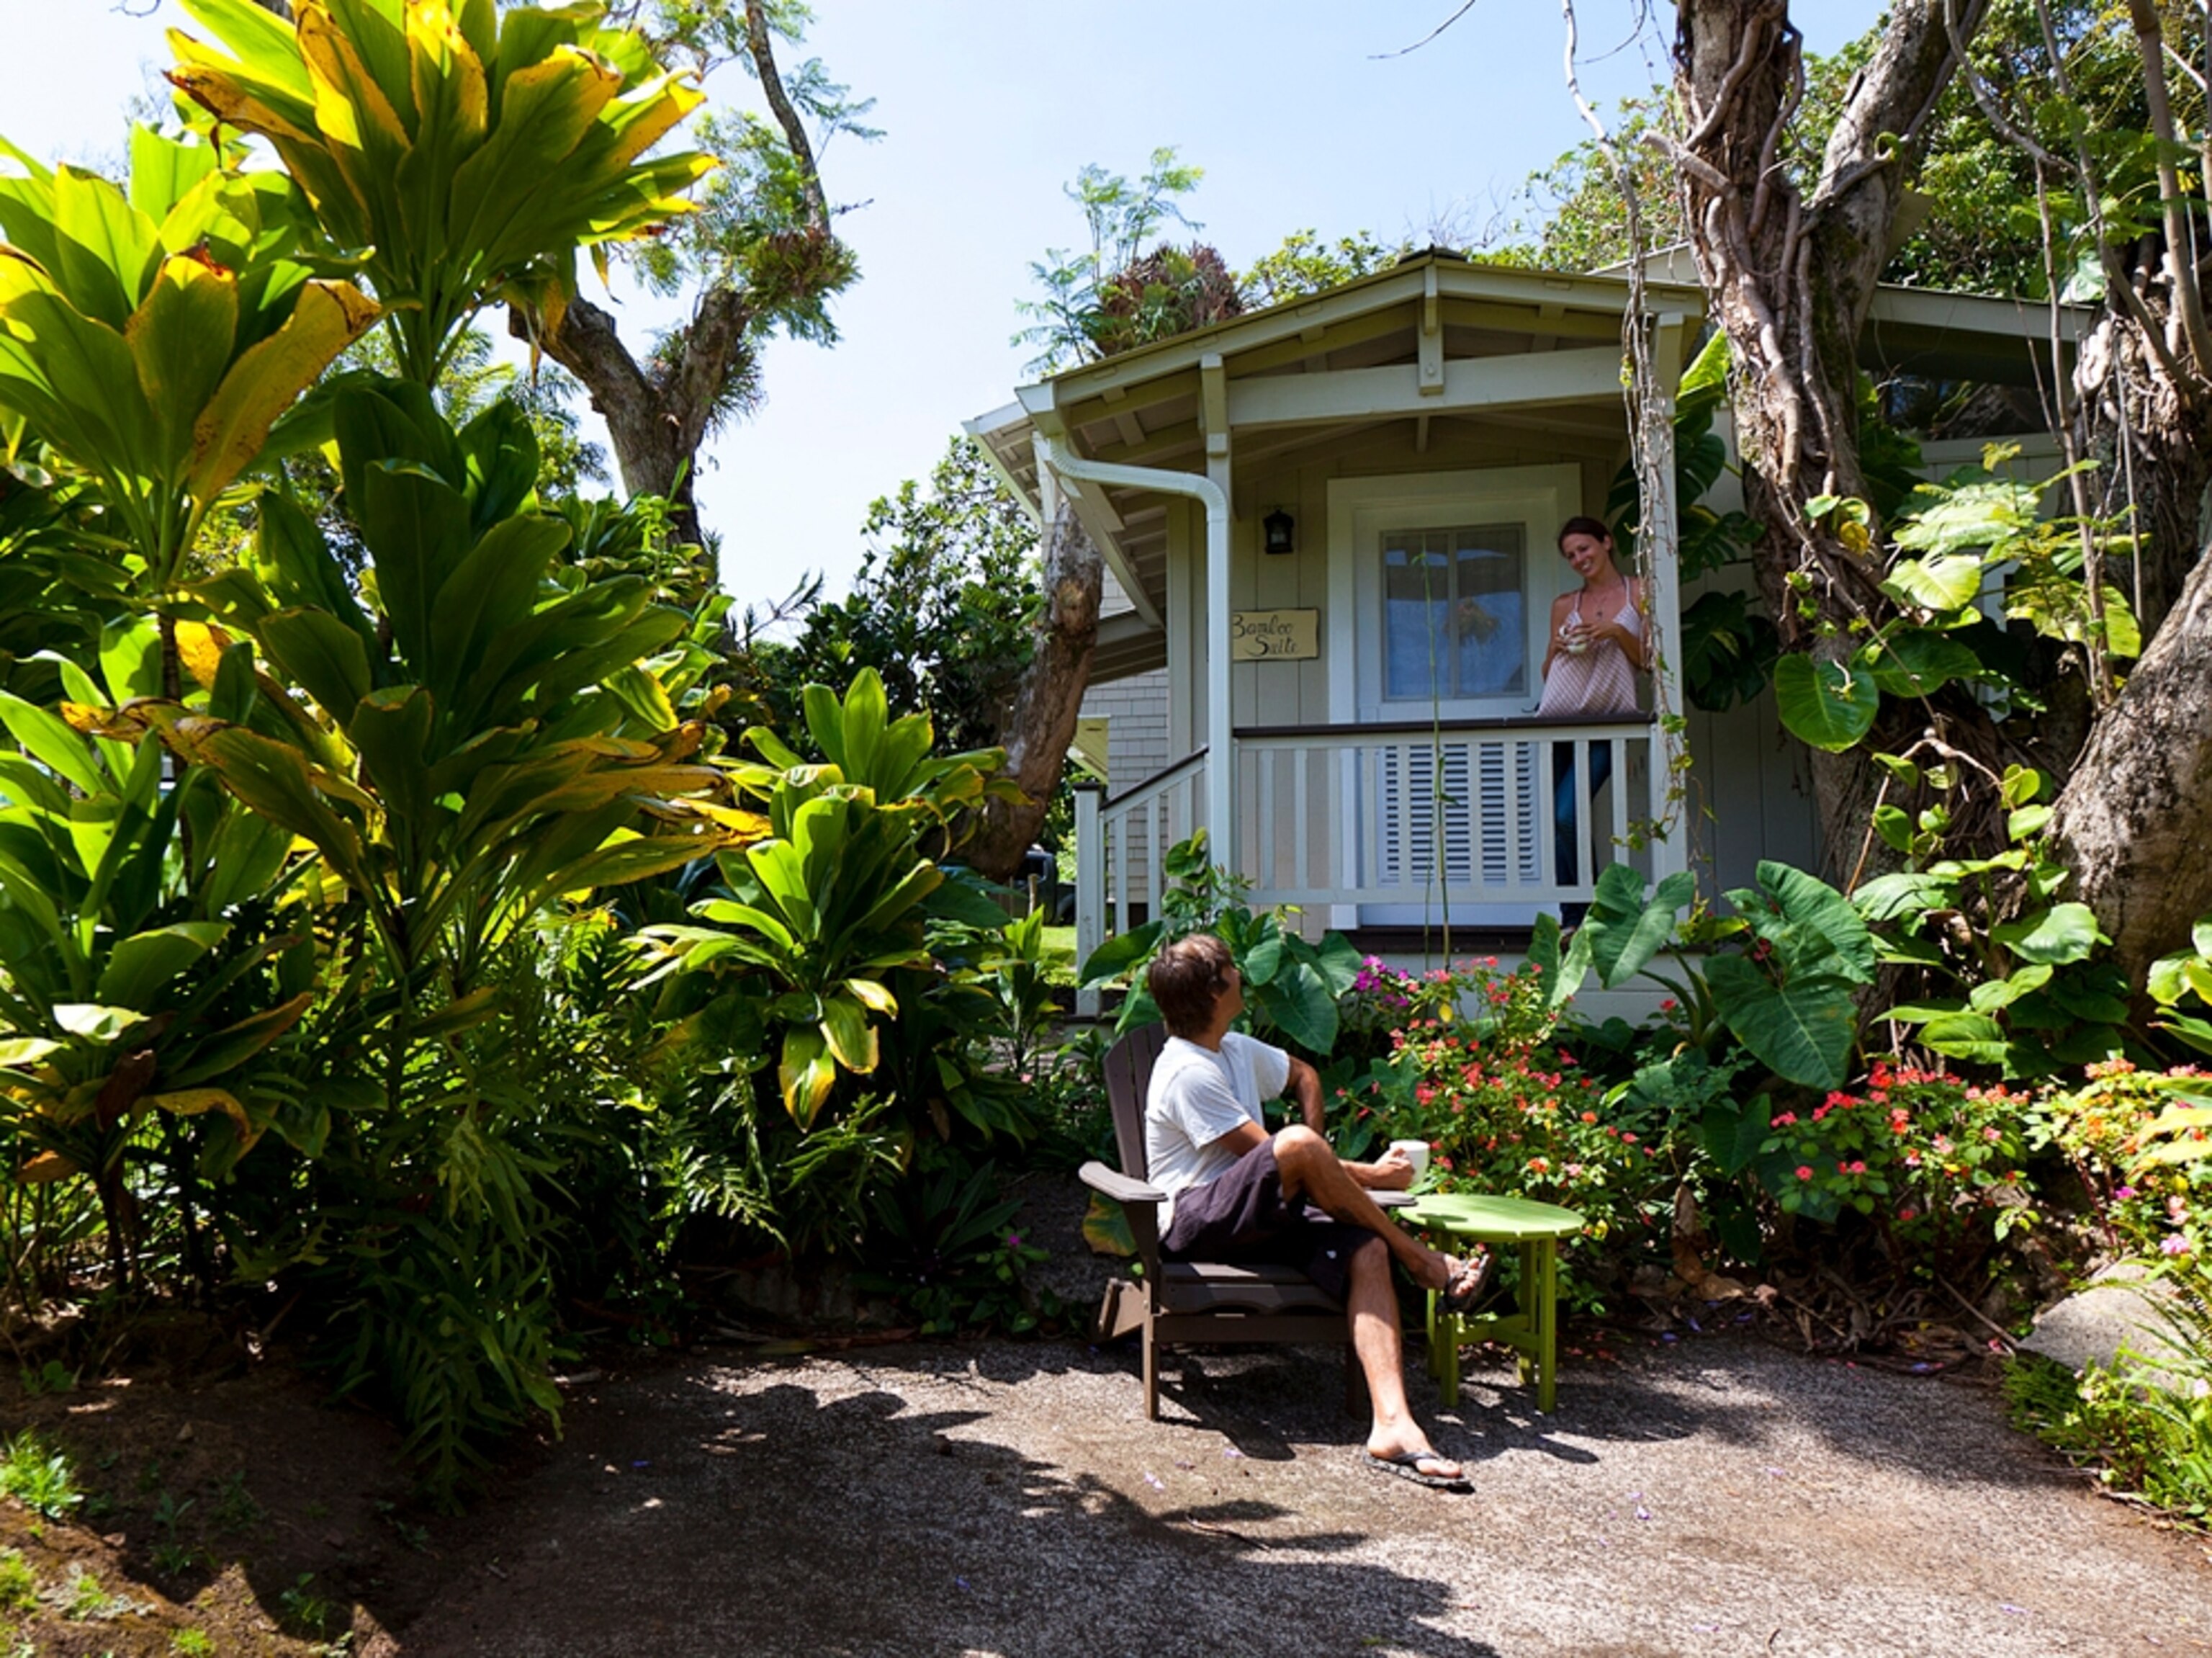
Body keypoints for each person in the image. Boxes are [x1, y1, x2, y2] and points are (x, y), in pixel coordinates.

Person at [1143, 933, 1493, 1490]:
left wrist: (1323, 1161)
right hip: (1198, 1221)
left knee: (1366, 1250)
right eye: (1231, 968)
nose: (1240, 974)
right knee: (1298, 1148)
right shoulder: (1187, 1071)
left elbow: (1304, 1075)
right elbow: (1276, 1151)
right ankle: (1423, 1261)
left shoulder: (1233, 1048)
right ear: (1215, 993)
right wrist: (1369, 1174)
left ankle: (1393, 1428)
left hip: (1260, 1215)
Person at [1537, 516, 1645, 901]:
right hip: (1558, 721)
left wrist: (1617, 632)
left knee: (1567, 814)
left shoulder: (1640, 591)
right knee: (1561, 822)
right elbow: (1549, 674)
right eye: (1570, 555)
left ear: (1607, 542)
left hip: (1608, 719)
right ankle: (1573, 916)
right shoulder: (1566, 604)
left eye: (1584, 549)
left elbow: (1649, 660)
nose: (1579, 559)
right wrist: (1558, 647)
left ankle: (1593, 905)